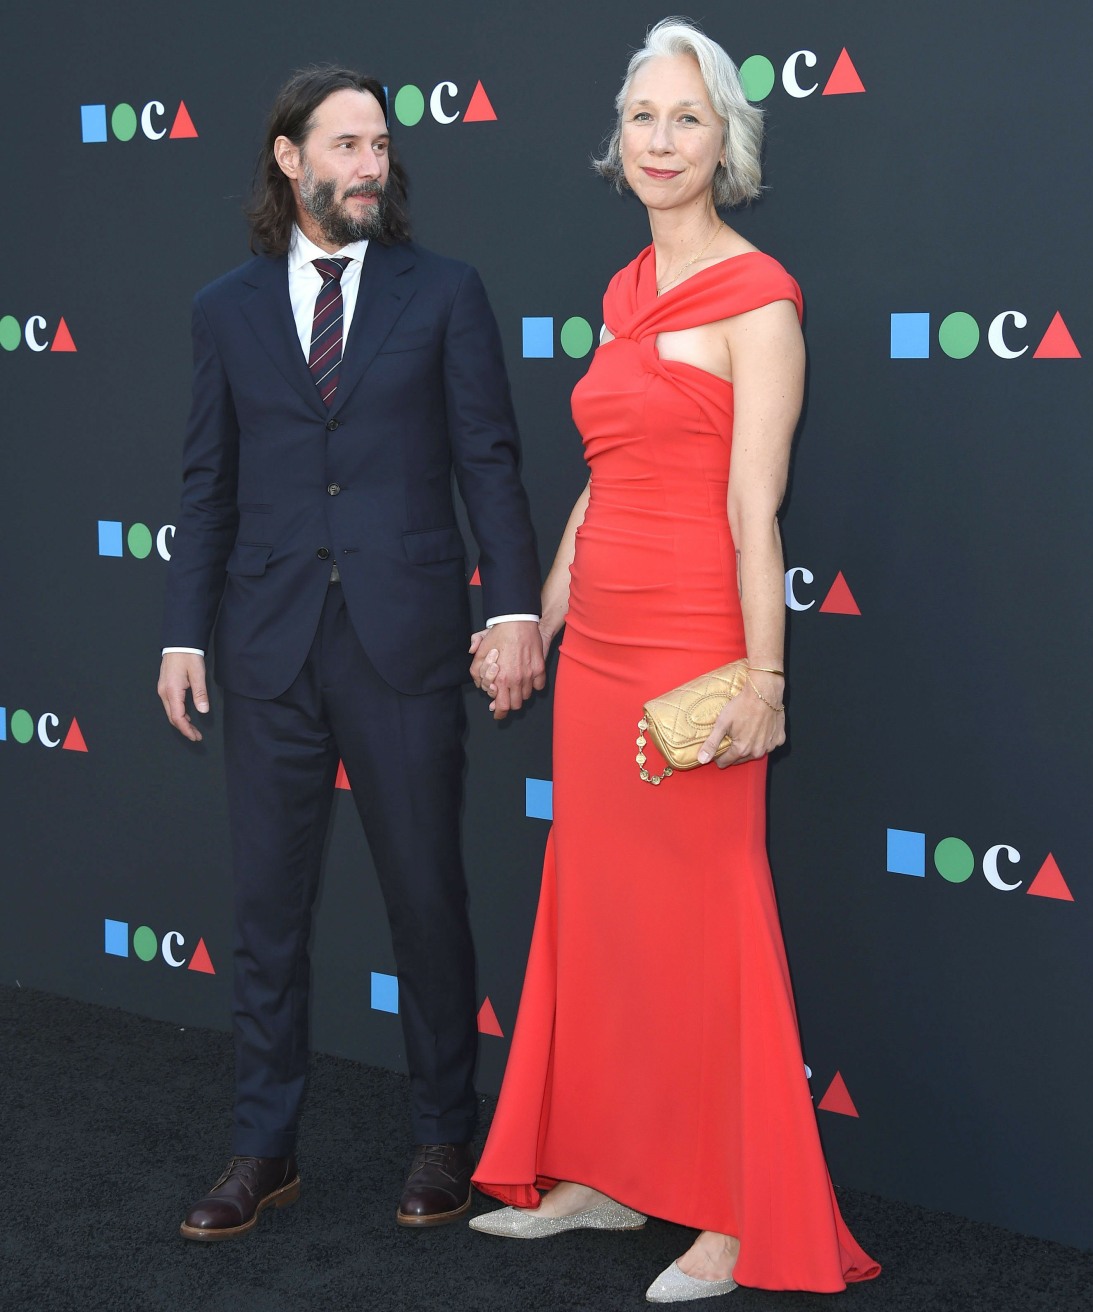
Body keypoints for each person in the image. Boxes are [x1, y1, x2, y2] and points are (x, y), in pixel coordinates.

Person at [467, 19, 880, 1302]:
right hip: (597, 648)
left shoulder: (759, 299)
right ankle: (599, 1171)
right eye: (642, 117)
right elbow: (600, 478)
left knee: (706, 929)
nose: (659, 140)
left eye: (686, 119)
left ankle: (735, 1213)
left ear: (726, 145)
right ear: (619, 141)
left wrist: (762, 683)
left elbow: (755, 509)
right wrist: (540, 609)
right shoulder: (622, 294)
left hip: (695, 649)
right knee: (599, 918)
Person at [157, 66, 544, 1240]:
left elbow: (489, 460)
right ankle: (260, 1149)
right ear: (291, 159)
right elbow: (206, 482)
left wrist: (515, 608)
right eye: (347, 144)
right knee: (267, 914)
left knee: (425, 899)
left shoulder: (445, 293)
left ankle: (443, 1133)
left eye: (381, 144)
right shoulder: (223, 307)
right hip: (267, 644)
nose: (371, 163)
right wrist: (183, 629)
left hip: (405, 637)